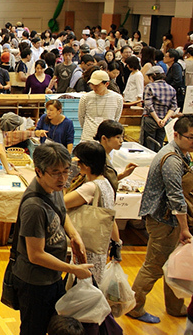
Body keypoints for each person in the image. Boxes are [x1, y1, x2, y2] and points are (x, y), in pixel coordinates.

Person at [12, 142, 92, 335]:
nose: (63, 178)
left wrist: (74, 235)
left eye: (66, 171)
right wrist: (72, 269)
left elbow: (63, 214)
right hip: (35, 282)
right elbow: (36, 255)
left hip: (53, 275)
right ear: (38, 171)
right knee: (34, 329)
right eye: (56, 172)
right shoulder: (34, 207)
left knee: (54, 325)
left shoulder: (54, 189)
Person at [127, 115, 193, 324]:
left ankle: (175, 306)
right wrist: (184, 228)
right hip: (164, 221)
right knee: (154, 266)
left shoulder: (182, 154)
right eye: (191, 137)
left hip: (169, 220)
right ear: (176, 135)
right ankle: (134, 307)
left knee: (174, 264)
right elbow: (176, 198)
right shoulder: (171, 159)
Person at [64, 141, 120, 284]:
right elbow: (111, 218)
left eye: (79, 162)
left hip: (87, 245)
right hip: (100, 244)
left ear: (86, 165)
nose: (77, 166)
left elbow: (62, 203)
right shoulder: (106, 183)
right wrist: (117, 242)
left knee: (82, 286)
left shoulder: (90, 188)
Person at [78, 70, 123, 142]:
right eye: (92, 85)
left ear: (107, 84)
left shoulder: (117, 98)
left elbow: (116, 118)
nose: (94, 87)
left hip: (107, 138)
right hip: (88, 137)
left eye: (97, 85)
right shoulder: (86, 97)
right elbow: (81, 117)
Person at [140, 65, 178, 151]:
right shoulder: (171, 88)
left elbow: (148, 106)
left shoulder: (149, 87)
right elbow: (173, 107)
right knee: (159, 145)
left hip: (150, 120)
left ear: (153, 76)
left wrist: (157, 119)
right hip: (164, 122)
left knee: (148, 146)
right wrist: (164, 119)